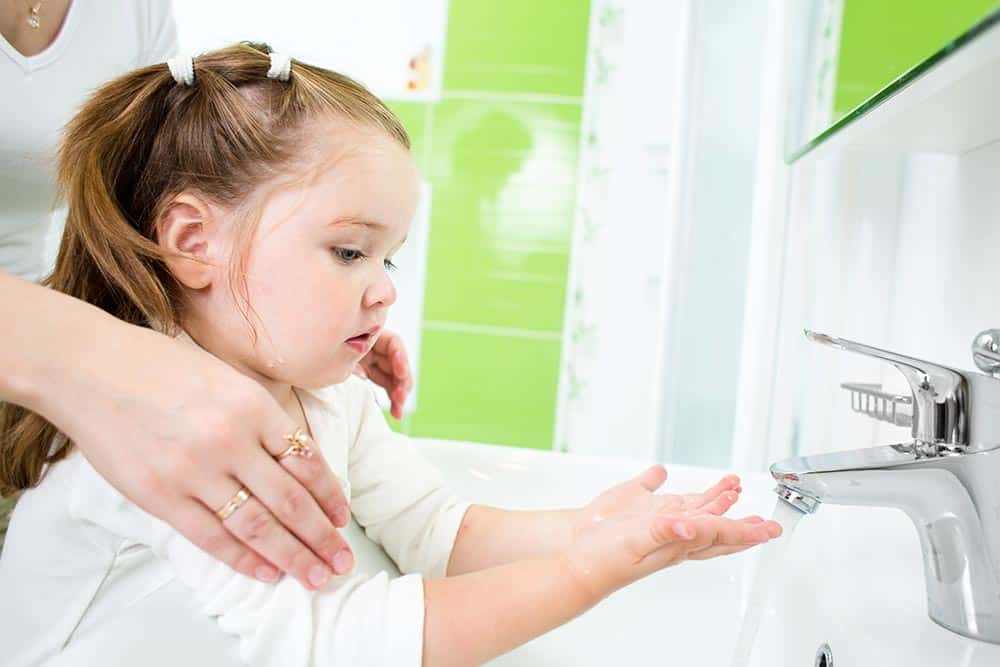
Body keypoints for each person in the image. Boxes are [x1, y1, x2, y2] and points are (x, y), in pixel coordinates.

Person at [0, 43, 782, 666]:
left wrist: (583, 530)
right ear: (194, 242)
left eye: (389, 259)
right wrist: (581, 576)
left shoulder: (328, 395)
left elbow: (434, 529)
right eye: (348, 251)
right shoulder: (158, 440)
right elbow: (335, 643)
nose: (383, 293)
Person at [0, 0, 412, 587]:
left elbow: (145, 200)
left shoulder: (130, 14)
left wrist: (312, 320)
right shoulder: (91, 455)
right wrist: (90, 357)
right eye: (348, 250)